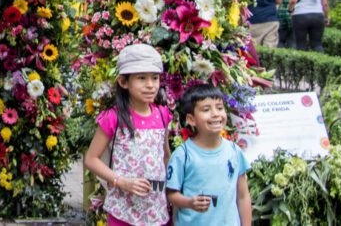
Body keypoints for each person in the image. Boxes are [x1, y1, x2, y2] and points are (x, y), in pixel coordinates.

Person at [83, 43, 170, 226]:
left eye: (154, 78)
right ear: (124, 82)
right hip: (123, 210)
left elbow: (165, 155)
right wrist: (121, 182)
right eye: (141, 78)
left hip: (155, 208)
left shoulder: (162, 114)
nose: (150, 85)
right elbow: (91, 159)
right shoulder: (113, 117)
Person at [167, 84, 252, 225]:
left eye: (219, 108)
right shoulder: (183, 155)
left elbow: (243, 196)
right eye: (206, 109)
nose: (215, 114)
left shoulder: (234, 151)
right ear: (191, 119)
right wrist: (189, 202)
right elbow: (171, 194)